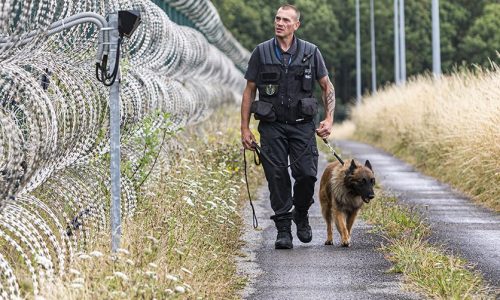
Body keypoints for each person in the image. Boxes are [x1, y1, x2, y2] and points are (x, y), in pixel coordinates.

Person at [241, 4, 335, 249]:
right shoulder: (261, 52)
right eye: (277, 18)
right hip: (272, 127)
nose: (279, 23)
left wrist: (329, 119)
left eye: (285, 20)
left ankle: (301, 214)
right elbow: (249, 91)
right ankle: (283, 229)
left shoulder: (311, 52)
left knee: (307, 175)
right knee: (277, 175)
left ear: (296, 25)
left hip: (302, 126)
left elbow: (327, 87)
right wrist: (245, 129)